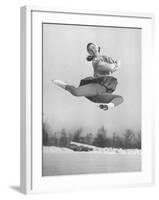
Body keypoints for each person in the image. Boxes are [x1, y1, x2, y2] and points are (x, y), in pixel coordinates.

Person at [52, 43, 123, 111]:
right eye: (90, 50)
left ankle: (107, 106)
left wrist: (108, 105)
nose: (92, 50)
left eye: (93, 47)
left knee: (119, 98)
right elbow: (110, 67)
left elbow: (116, 64)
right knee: (76, 92)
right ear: (90, 53)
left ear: (97, 47)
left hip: (103, 92)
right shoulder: (95, 60)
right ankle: (64, 85)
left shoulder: (106, 57)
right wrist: (116, 64)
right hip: (97, 85)